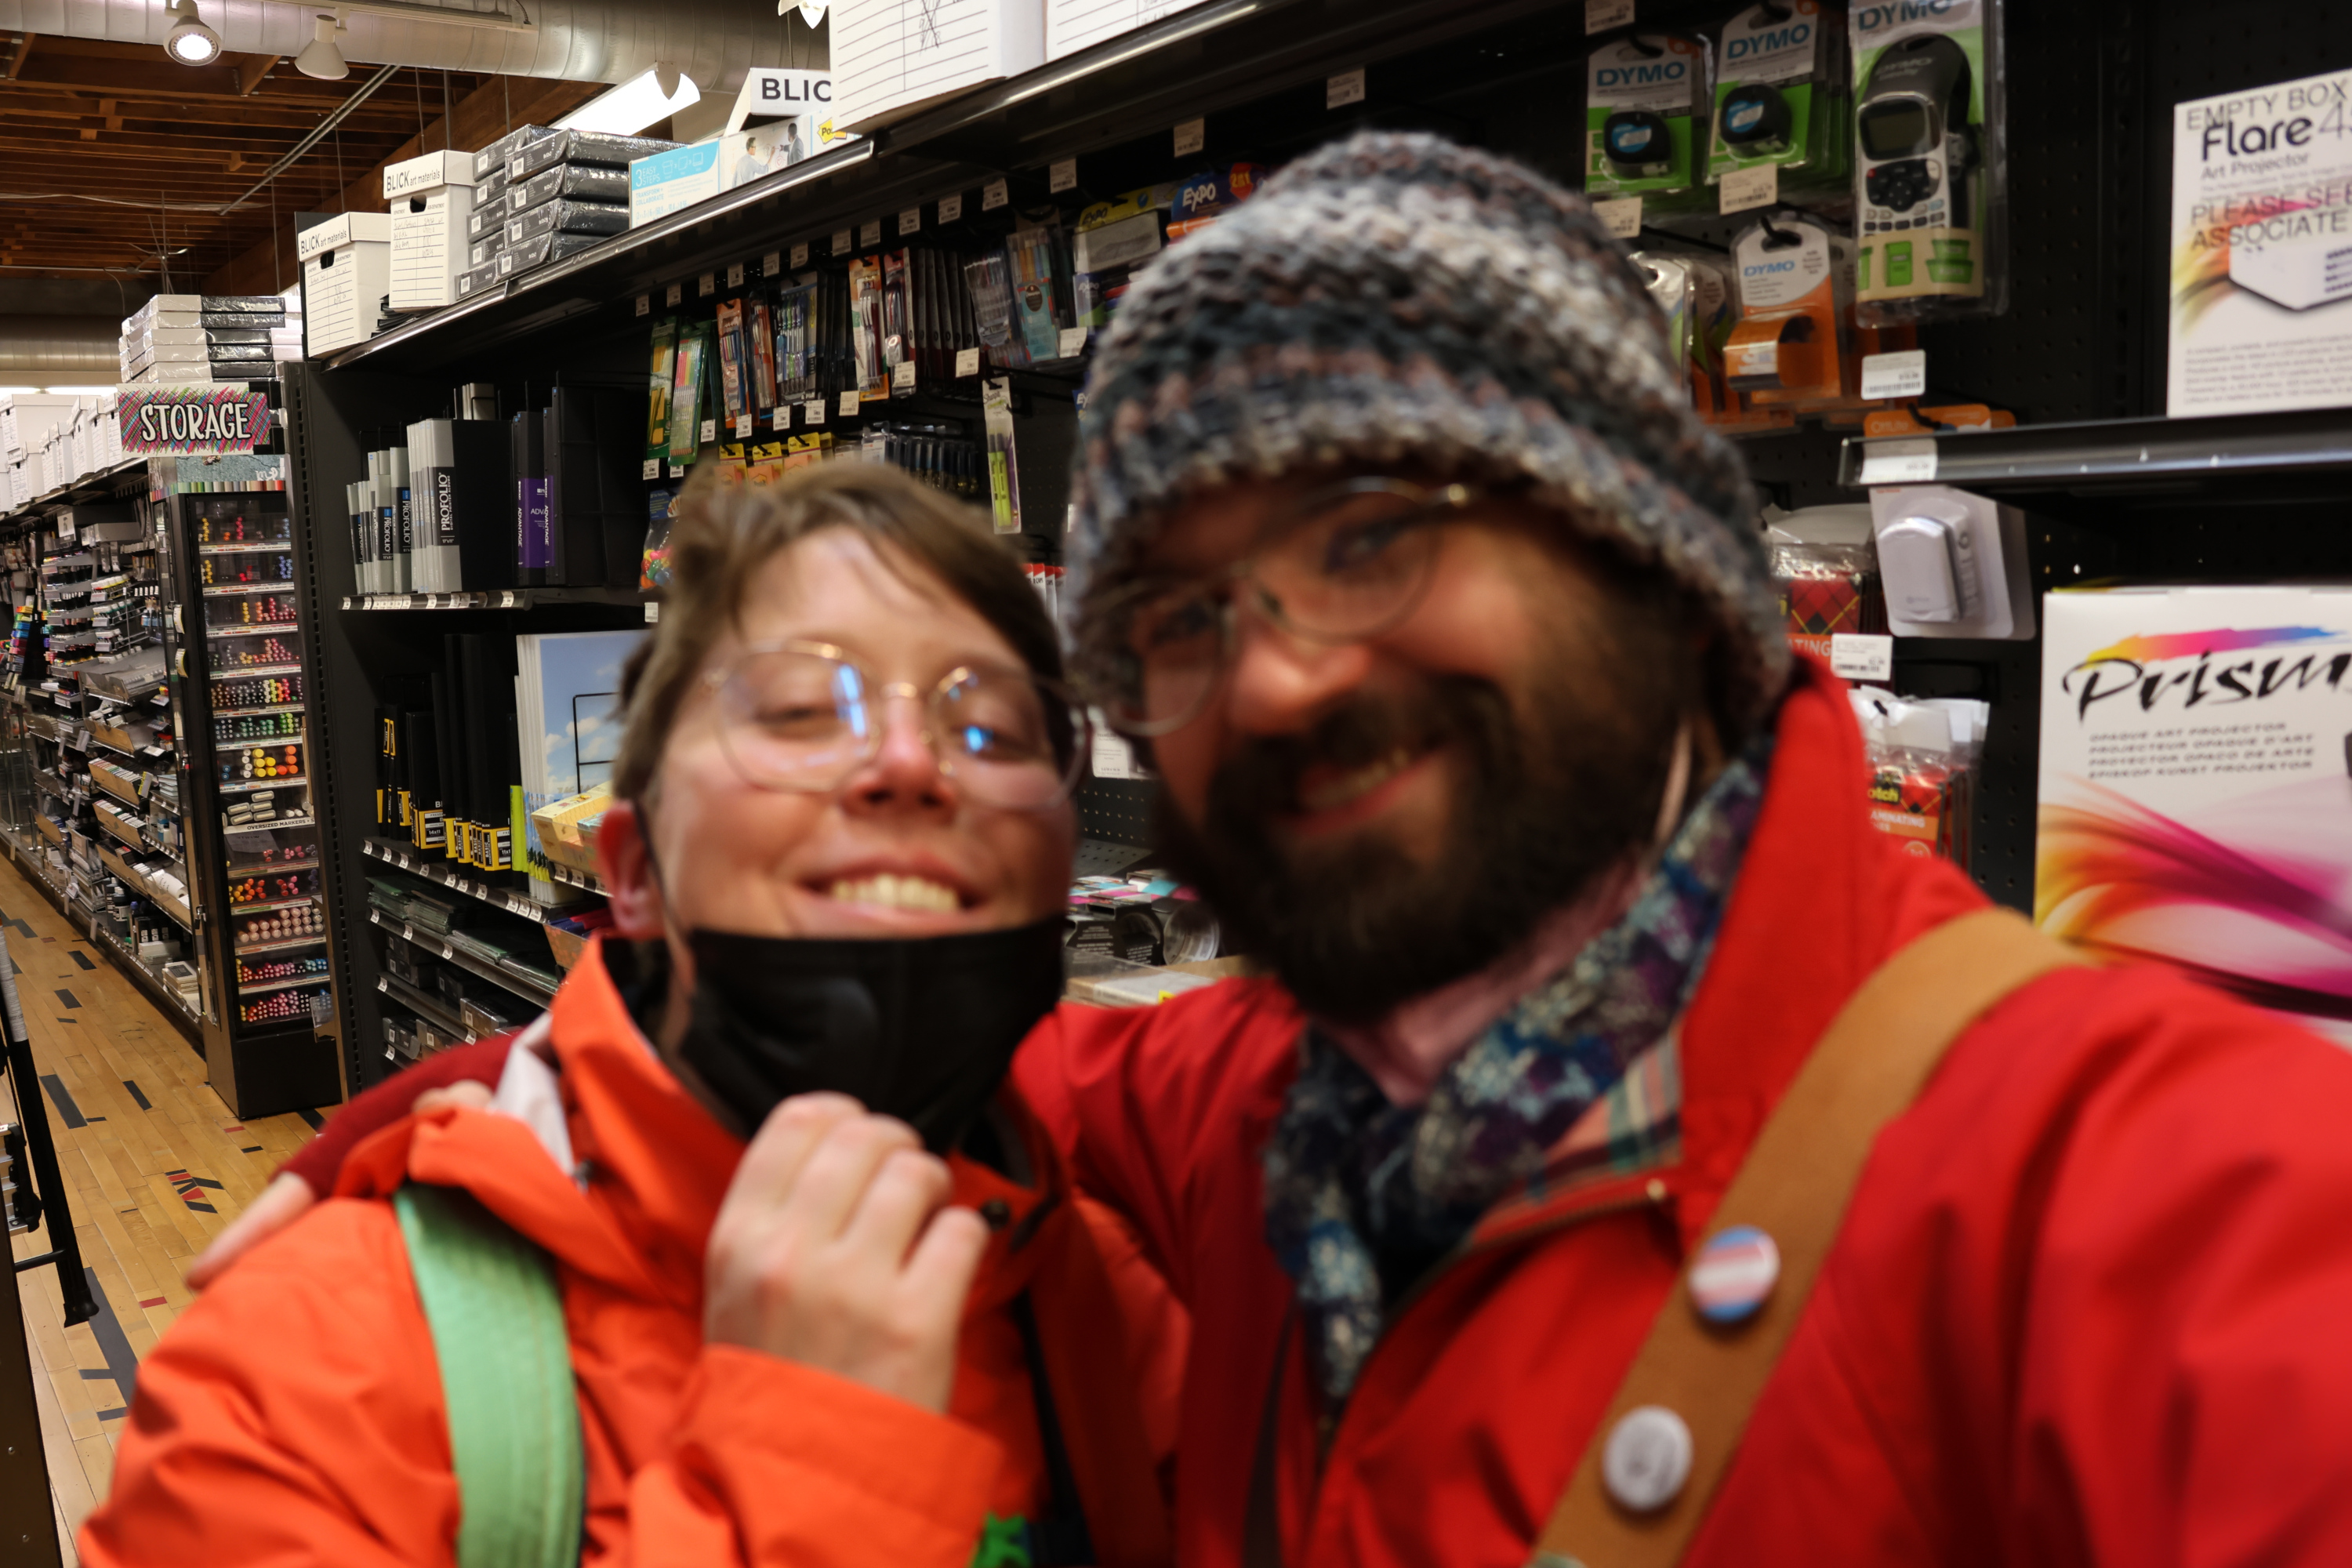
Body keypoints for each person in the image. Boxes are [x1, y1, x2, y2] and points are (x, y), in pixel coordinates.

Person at [201, 131, 2352, 1565]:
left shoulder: (2162, 1193)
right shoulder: (1238, 1110)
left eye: (1372, 533)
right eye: (1185, 619)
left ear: (1660, 559)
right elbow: (723, 1065)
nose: (1287, 677)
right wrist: (449, 1139)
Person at [85, 463, 1178, 1567]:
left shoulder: (1103, 1296)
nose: (910, 761)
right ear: (636, 874)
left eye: (989, 729)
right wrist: (820, 1474)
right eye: (800, 712)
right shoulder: (302, 1388)